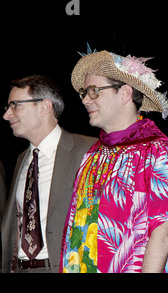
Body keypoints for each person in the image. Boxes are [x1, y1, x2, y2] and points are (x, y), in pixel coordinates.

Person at [60, 48, 168, 273]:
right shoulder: (93, 153)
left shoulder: (157, 151)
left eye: (94, 91)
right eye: (84, 92)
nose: (85, 99)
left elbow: (163, 233)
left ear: (124, 93)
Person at [2, 75, 96, 273]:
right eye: (7, 107)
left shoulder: (88, 150)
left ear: (45, 107)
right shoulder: (22, 159)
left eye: (15, 105)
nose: (7, 115)